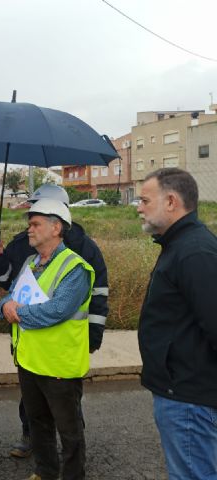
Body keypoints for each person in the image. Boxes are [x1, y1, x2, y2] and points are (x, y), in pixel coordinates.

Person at [0, 184, 108, 458]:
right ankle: (32, 441)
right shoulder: (26, 248)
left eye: (35, 218)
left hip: (61, 351)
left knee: (68, 416)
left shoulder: (83, 252)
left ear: (56, 223)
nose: (30, 224)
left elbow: (89, 297)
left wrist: (94, 334)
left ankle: (72, 465)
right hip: (31, 347)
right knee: (35, 412)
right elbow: (8, 283)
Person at [136, 168, 217, 480]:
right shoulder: (179, 245)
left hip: (188, 396)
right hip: (181, 391)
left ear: (171, 201)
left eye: (145, 200)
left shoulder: (194, 251)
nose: (139, 207)